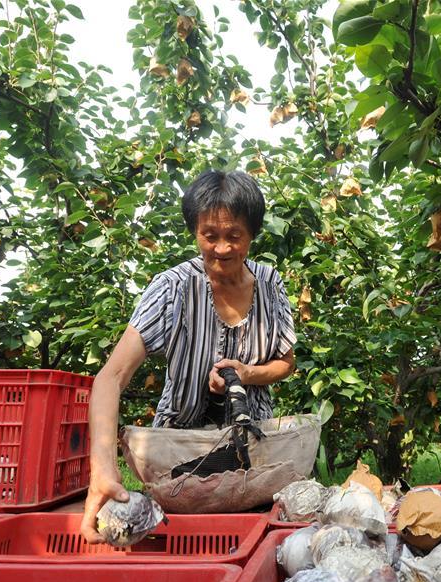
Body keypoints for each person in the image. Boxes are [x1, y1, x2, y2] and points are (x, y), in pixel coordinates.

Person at [80, 170, 296, 544]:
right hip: (179, 462)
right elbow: (110, 377)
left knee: (253, 548)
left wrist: (245, 374)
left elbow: (285, 363)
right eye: (209, 236)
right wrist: (103, 468)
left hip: (253, 458)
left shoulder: (270, 283)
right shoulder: (173, 288)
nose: (222, 249)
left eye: (235, 236)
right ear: (194, 231)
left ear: (253, 234)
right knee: (184, 545)